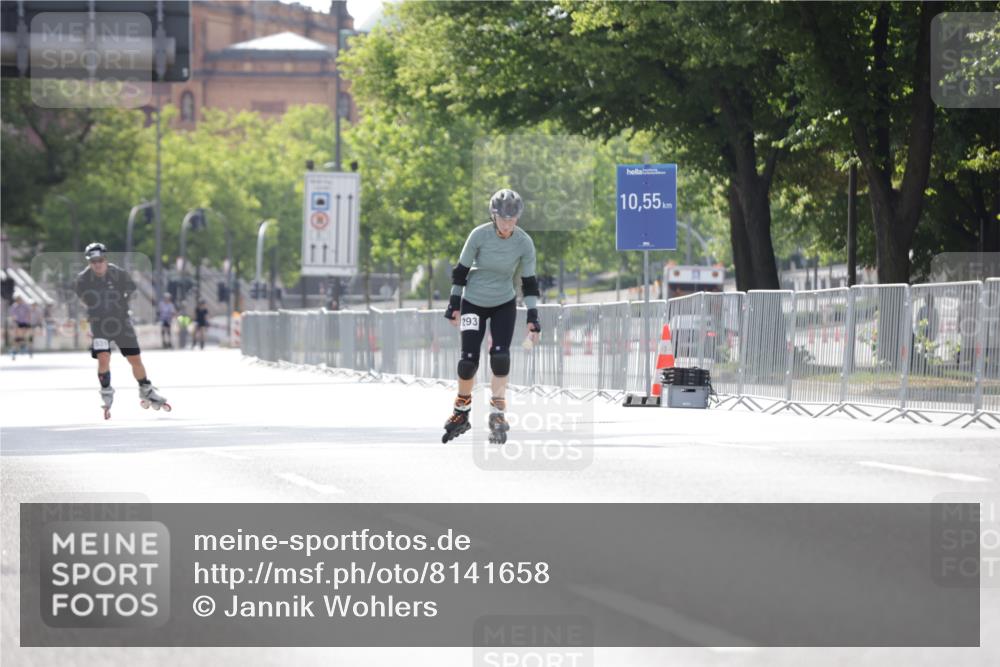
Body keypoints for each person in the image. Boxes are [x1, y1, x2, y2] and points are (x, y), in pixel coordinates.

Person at [441, 188, 541, 444]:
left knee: (500, 357)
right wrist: (454, 303)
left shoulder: (524, 242)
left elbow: (529, 282)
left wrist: (533, 315)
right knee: (468, 361)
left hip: (503, 303)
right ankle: (461, 412)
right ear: (493, 216)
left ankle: (498, 413)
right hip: (473, 302)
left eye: (513, 219)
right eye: (503, 219)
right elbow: (460, 272)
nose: (508, 224)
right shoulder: (479, 235)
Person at [74, 242, 170, 418]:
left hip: (121, 322)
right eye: (93, 261)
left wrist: (122, 304)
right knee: (103, 357)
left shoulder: (119, 274)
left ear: (106, 259)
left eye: (100, 260)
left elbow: (132, 290)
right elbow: (83, 299)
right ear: (89, 262)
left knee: (135, 359)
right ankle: (106, 392)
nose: (97, 264)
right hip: (99, 324)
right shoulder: (83, 279)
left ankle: (146, 389)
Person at [9, 295, 33, 360]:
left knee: (26, 335)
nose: (19, 301)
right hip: (18, 323)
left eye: (20, 300)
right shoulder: (14, 306)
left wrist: (29, 321)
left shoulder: (25, 306)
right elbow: (12, 316)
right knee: (17, 336)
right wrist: (14, 322)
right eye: (18, 300)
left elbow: (29, 313)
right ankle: (15, 350)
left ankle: (25, 347)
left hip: (25, 322)